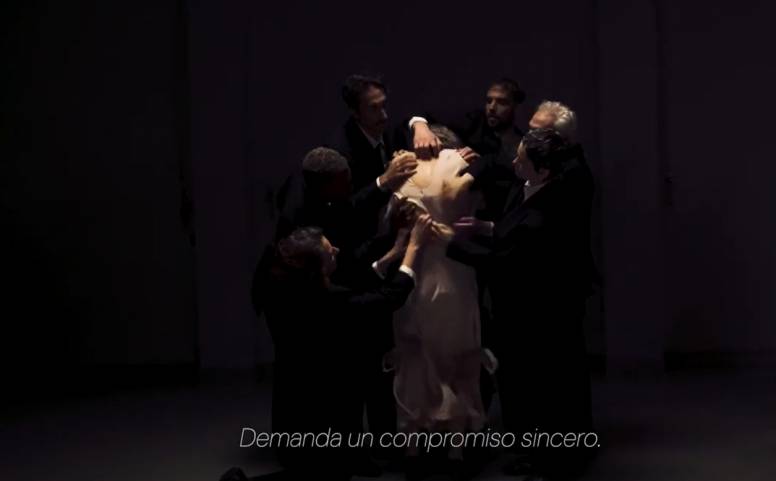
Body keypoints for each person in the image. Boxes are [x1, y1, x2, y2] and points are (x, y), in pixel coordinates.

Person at [448, 128, 594, 480]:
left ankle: (547, 460)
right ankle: (535, 452)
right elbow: (511, 228)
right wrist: (486, 227)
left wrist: (447, 244)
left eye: (522, 159)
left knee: (539, 387)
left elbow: (503, 260)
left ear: (543, 170)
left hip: (536, 313)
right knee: (529, 386)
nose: (514, 162)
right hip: (528, 308)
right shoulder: (531, 187)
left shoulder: (545, 213)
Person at [258, 215, 434, 481]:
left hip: (296, 407)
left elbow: (351, 293)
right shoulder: (325, 300)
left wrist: (392, 255)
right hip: (318, 420)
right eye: (330, 252)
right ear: (317, 269)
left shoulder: (290, 288)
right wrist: (414, 248)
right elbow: (388, 298)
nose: (337, 250)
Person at [382, 125, 494, 480]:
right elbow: (475, 206)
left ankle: (414, 445)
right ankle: (457, 448)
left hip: (416, 271)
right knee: (459, 358)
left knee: (415, 357)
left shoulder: (404, 171)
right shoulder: (460, 168)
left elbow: (389, 221)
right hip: (455, 271)